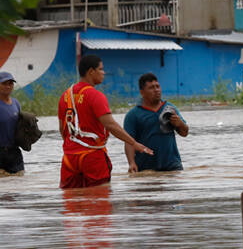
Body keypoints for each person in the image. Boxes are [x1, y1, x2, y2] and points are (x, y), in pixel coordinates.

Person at [58, 54, 153, 188]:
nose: (104, 73)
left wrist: (73, 147)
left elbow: (63, 130)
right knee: (99, 202)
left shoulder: (65, 96)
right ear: (91, 71)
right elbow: (111, 125)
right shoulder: (96, 96)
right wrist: (134, 143)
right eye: (101, 69)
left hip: (69, 159)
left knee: (71, 202)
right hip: (93, 157)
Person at [124, 73, 189, 172]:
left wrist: (180, 123)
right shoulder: (133, 115)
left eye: (158, 86)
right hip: (146, 167)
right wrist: (131, 163)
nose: (156, 90)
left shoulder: (170, 108)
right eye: (151, 88)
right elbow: (128, 142)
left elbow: (184, 133)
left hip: (172, 165)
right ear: (142, 92)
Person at [0, 71, 23, 174]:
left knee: (18, 182)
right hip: (0, 152)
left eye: (10, 83)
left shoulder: (16, 103)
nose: (8, 86)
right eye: (4, 83)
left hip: (15, 153)